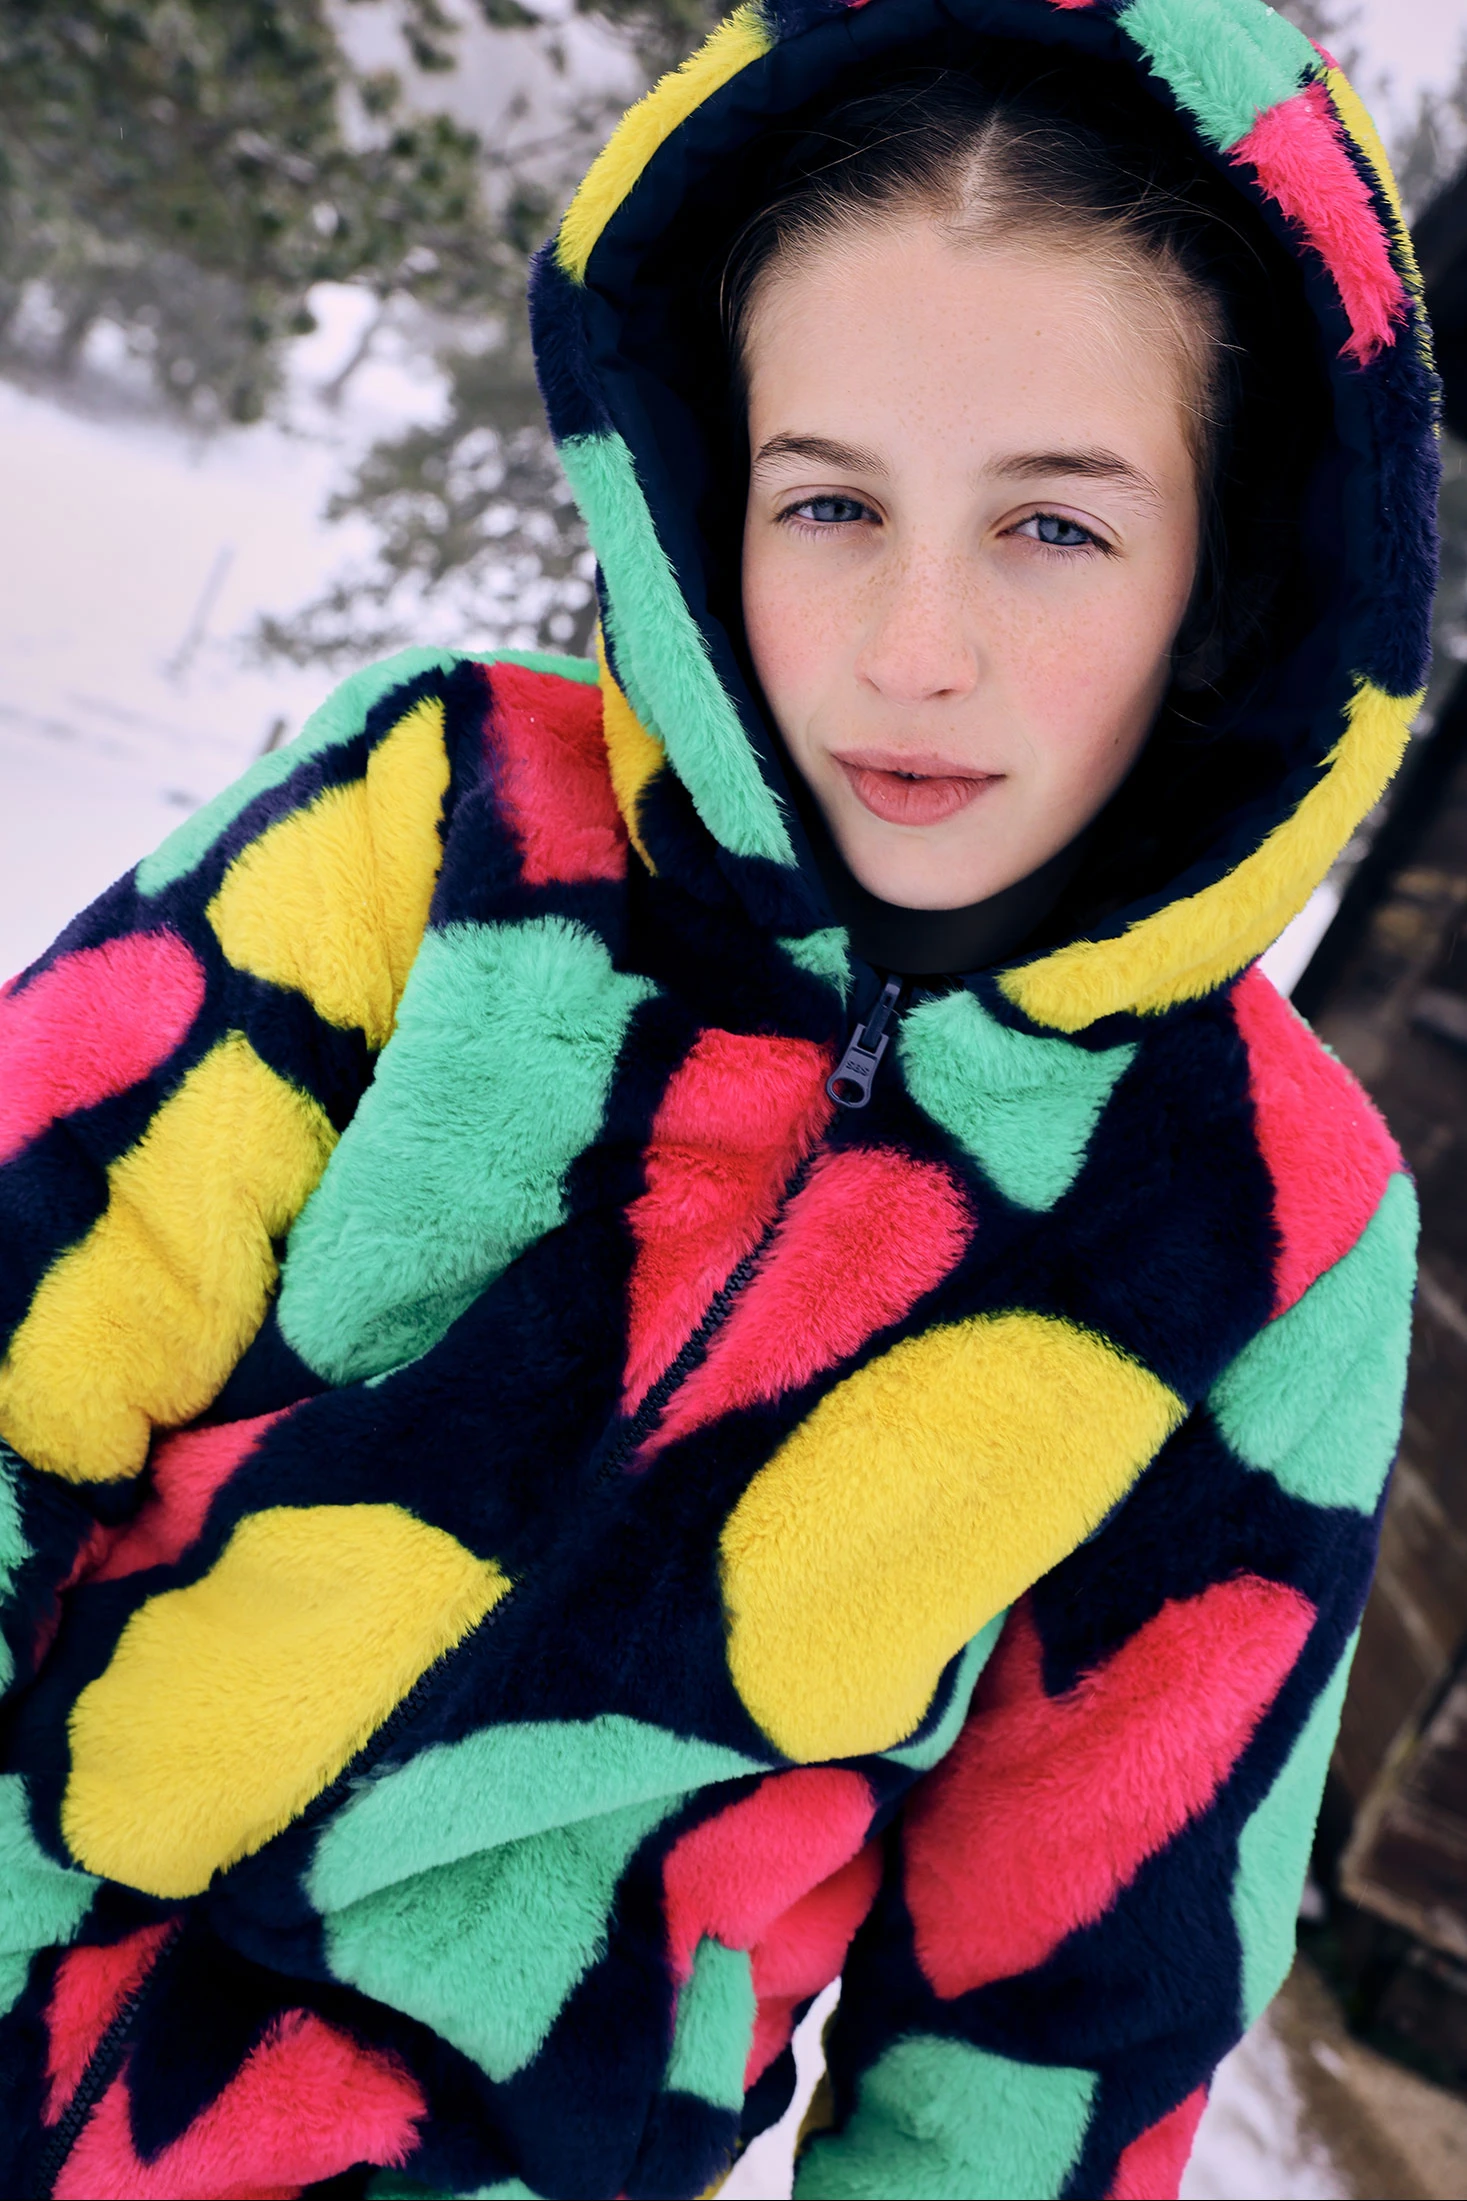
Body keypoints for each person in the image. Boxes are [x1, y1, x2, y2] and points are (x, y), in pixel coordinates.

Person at [0, 3, 1436, 2196]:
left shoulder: (1265, 1230)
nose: (912, 644)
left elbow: (1068, 2024)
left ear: (1230, 575)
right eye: (829, 500)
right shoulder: (433, 826)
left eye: (1052, 527)